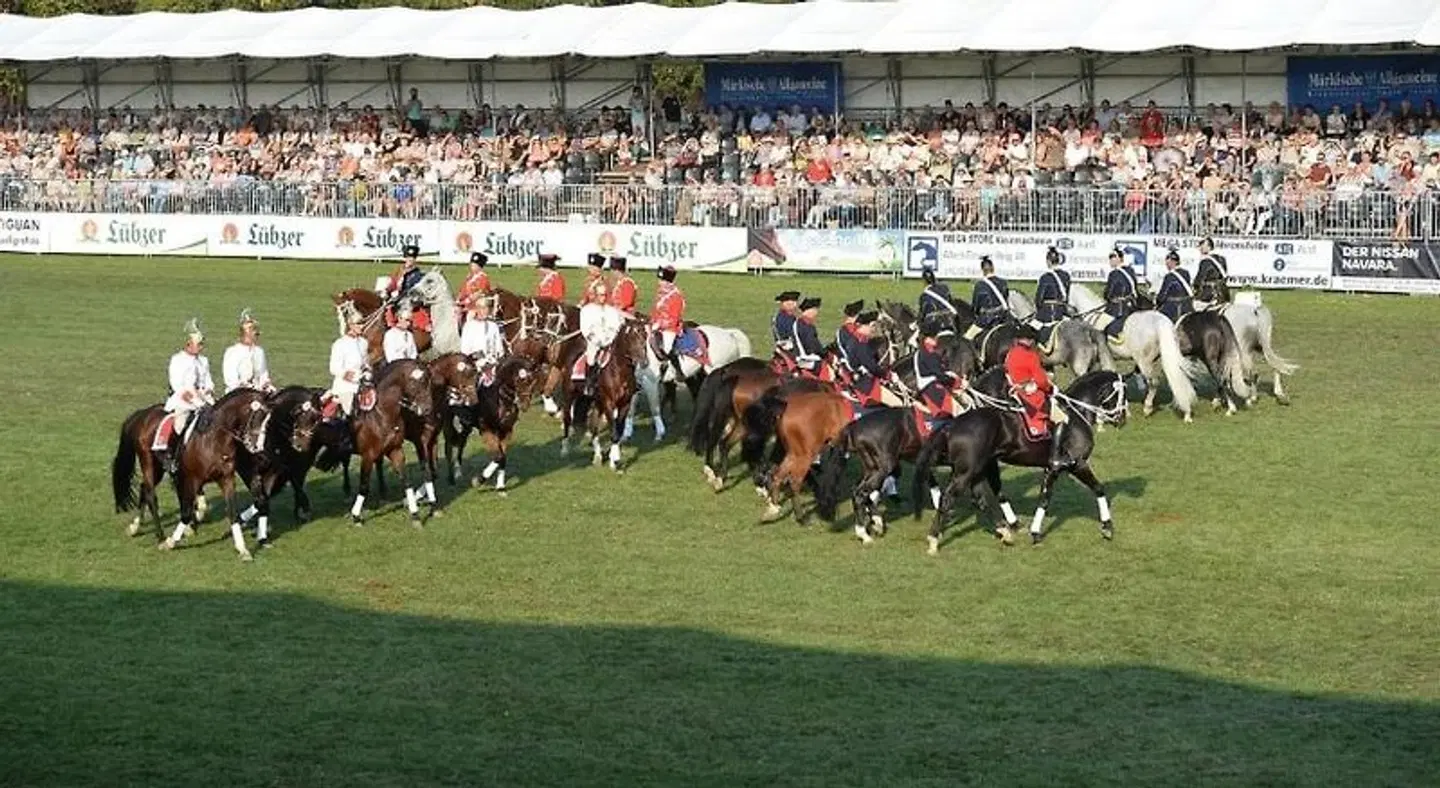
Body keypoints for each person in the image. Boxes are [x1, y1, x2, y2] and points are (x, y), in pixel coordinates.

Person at [154, 318, 217, 474]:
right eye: (199, 344)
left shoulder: (203, 360)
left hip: (202, 397)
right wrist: (187, 395)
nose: (201, 347)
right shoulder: (177, 359)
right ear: (189, 344)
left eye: (202, 344)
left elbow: (208, 380)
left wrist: (208, 389)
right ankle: (171, 455)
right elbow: (176, 383)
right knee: (181, 422)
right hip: (183, 398)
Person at [1004, 323, 1069, 468]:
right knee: (1062, 418)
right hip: (1030, 396)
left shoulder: (1011, 353)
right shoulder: (1031, 355)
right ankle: (1056, 457)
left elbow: (1007, 371)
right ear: (1030, 340)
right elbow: (1041, 380)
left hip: (1014, 393)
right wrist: (1051, 389)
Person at [578, 253, 622, 391]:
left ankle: (591, 380)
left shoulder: (604, 283)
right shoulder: (588, 281)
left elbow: (607, 302)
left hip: (600, 317)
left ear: (599, 269)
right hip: (588, 312)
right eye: (590, 266)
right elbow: (584, 298)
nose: (590, 269)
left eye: (593, 267)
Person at [914, 322, 966, 419]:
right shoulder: (929, 353)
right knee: (961, 414)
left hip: (929, 388)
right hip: (934, 389)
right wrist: (957, 383)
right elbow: (940, 376)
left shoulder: (921, 351)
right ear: (933, 337)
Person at [325, 312, 370, 420]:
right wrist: (347, 375)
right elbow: (334, 368)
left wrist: (368, 370)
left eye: (363, 323)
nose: (362, 326)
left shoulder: (363, 343)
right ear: (351, 325)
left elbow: (365, 362)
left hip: (362, 386)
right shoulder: (340, 344)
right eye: (359, 324)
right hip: (345, 387)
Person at [222, 308, 274, 394]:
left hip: (257, 390)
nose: (256, 336)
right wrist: (245, 386)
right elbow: (230, 379)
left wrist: (265, 383)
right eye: (254, 334)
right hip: (238, 393)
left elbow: (263, 373)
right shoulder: (232, 352)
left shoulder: (259, 351)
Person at [846, 311, 892, 407]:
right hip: (864, 383)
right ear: (865, 326)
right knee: (899, 404)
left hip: (859, 378)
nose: (872, 330)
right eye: (872, 326)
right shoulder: (860, 343)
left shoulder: (854, 339)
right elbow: (871, 366)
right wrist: (887, 375)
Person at [383, 244, 431, 332]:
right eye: (408, 257)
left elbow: (416, 291)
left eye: (412, 258)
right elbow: (393, 283)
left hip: (409, 300)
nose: (409, 260)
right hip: (396, 298)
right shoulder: (399, 271)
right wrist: (387, 291)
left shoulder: (418, 275)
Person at [650, 265, 687, 379]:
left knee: (666, 348)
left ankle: (676, 371)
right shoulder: (661, 293)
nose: (659, 282)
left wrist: (659, 324)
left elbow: (674, 317)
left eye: (662, 280)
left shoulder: (675, 295)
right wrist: (651, 321)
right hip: (657, 326)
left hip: (670, 329)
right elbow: (655, 311)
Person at [1031, 246, 1071, 344]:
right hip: (1062, 311)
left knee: (1031, 329)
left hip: (1049, 314)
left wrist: (1038, 310)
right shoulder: (1066, 276)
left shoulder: (1045, 277)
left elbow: (1039, 300)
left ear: (1048, 261)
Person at [966, 255, 1011, 339]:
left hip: (986, 320)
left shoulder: (979, 285)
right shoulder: (1003, 282)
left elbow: (975, 307)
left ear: (982, 270)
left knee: (967, 338)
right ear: (993, 268)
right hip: (1003, 317)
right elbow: (1006, 299)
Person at [1101, 247, 1140, 339]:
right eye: (1110, 258)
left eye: (1112, 257)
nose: (1110, 260)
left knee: (1101, 328)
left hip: (1118, 308)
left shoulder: (1114, 274)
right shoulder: (1130, 270)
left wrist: (1106, 296)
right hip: (1132, 305)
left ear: (1119, 259)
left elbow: (1109, 294)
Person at [459, 297, 505, 373]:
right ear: (477, 309)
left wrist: (495, 358)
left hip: (492, 364)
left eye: (486, 308)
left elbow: (499, 348)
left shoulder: (493, 326)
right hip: (475, 365)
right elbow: (464, 349)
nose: (484, 311)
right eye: (481, 308)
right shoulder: (469, 326)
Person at [1156, 248, 1195, 323]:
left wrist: (1157, 302)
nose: (1166, 265)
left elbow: (1162, 297)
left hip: (1173, 309)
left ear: (1172, 262)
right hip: (1187, 307)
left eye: (1167, 263)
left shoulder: (1169, 276)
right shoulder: (1186, 273)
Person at [1193, 236, 1231, 308]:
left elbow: (1199, 278)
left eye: (1202, 245)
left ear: (1209, 247)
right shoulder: (1222, 259)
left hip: (1209, 294)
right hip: (1223, 293)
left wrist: (1195, 288)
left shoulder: (1205, 261)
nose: (1200, 248)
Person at [791, 297, 825, 377]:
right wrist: (823, 353)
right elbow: (811, 344)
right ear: (809, 310)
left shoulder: (800, 322)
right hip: (806, 358)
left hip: (803, 356)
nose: (816, 313)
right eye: (815, 310)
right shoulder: (806, 325)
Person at [917, 267, 958, 331]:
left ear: (924, 280)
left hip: (935, 325)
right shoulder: (945, 287)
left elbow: (922, 315)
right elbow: (951, 302)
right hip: (950, 320)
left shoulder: (924, 296)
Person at [770, 290, 801, 374]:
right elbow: (783, 338)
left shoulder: (792, 317)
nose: (794, 305)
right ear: (784, 304)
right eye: (791, 303)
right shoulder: (780, 318)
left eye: (795, 303)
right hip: (787, 349)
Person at [456, 252, 492, 319]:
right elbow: (463, 289)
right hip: (465, 304)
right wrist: (459, 299)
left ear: (479, 266)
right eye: (471, 264)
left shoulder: (483, 278)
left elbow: (480, 292)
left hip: (476, 306)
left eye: (474, 265)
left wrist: (468, 300)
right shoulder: (469, 277)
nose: (472, 266)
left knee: (470, 317)